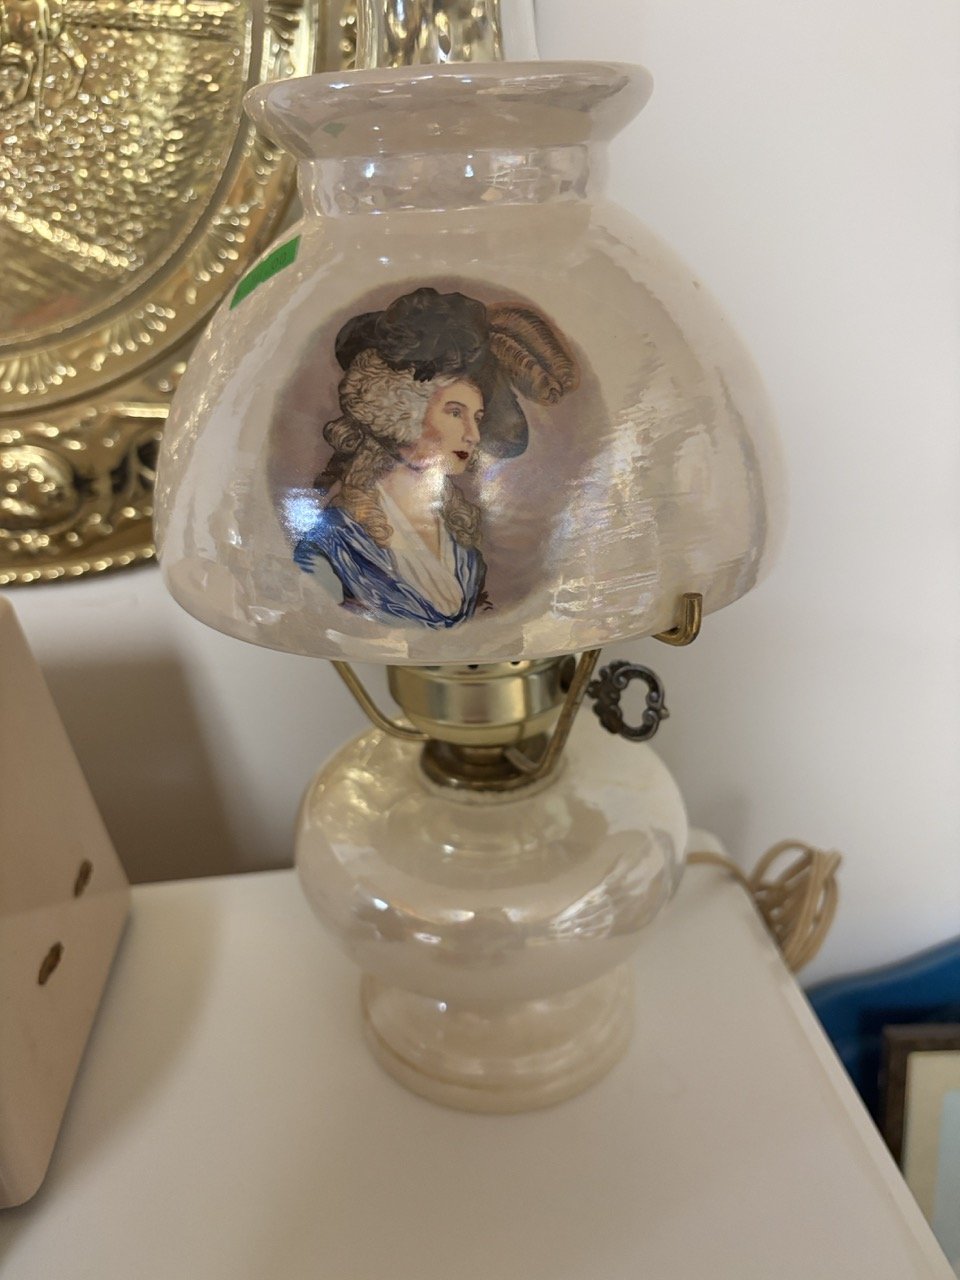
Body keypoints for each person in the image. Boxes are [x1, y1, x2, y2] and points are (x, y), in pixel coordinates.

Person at [292, 288, 578, 628]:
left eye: (477, 417)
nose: (473, 435)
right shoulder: (330, 547)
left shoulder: (462, 547)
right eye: (455, 413)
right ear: (402, 412)